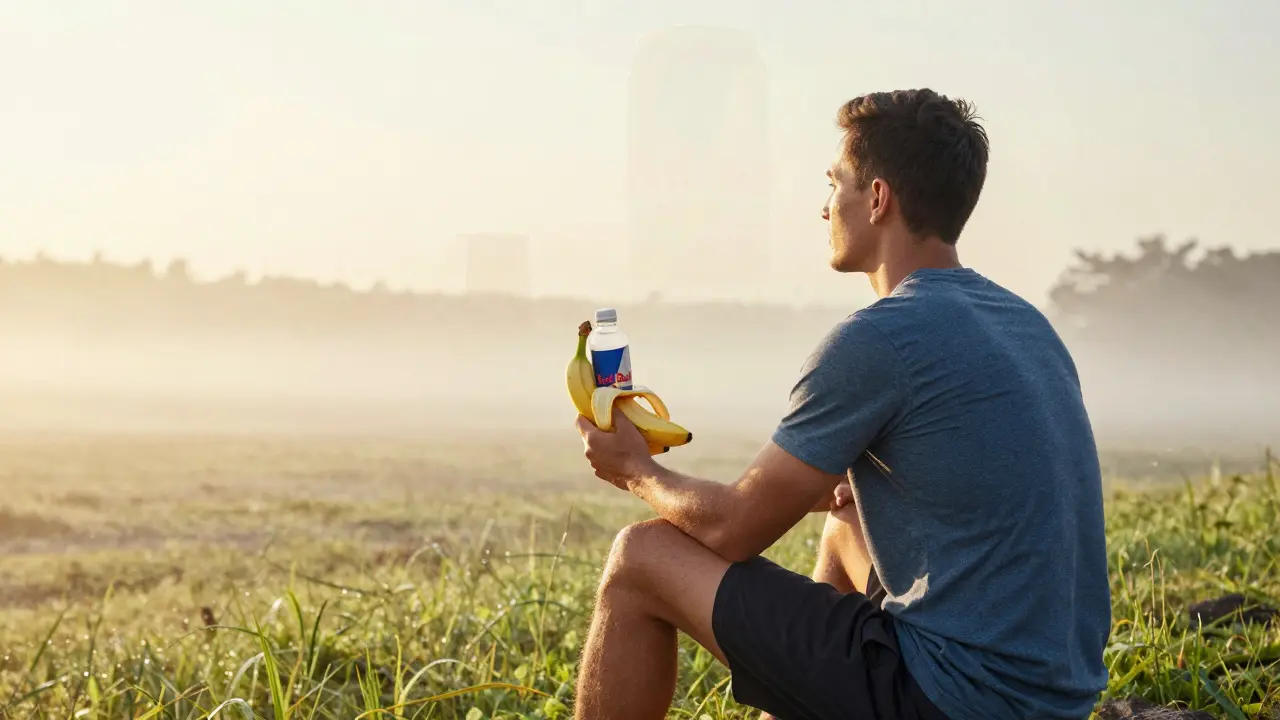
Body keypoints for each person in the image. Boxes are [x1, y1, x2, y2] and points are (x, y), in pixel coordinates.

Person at [572, 88, 1112, 720]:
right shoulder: (1025, 324)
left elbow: (734, 528)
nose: (823, 206)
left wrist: (638, 470)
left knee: (642, 558)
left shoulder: (879, 337)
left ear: (877, 198)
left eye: (835, 183)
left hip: (953, 699)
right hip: (1055, 699)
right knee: (847, 525)